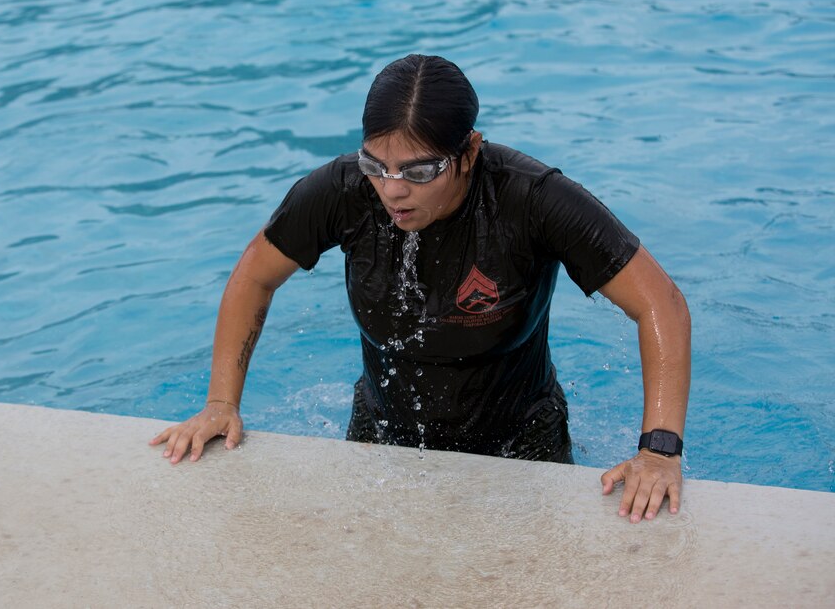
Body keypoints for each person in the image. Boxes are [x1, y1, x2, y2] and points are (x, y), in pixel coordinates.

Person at [150, 54, 691, 523]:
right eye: (375, 164)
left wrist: (659, 450)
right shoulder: (342, 192)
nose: (392, 189)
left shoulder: (532, 200)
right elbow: (254, 277)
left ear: (470, 152)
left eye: (420, 170)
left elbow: (660, 304)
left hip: (521, 439)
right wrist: (221, 402)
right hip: (383, 431)